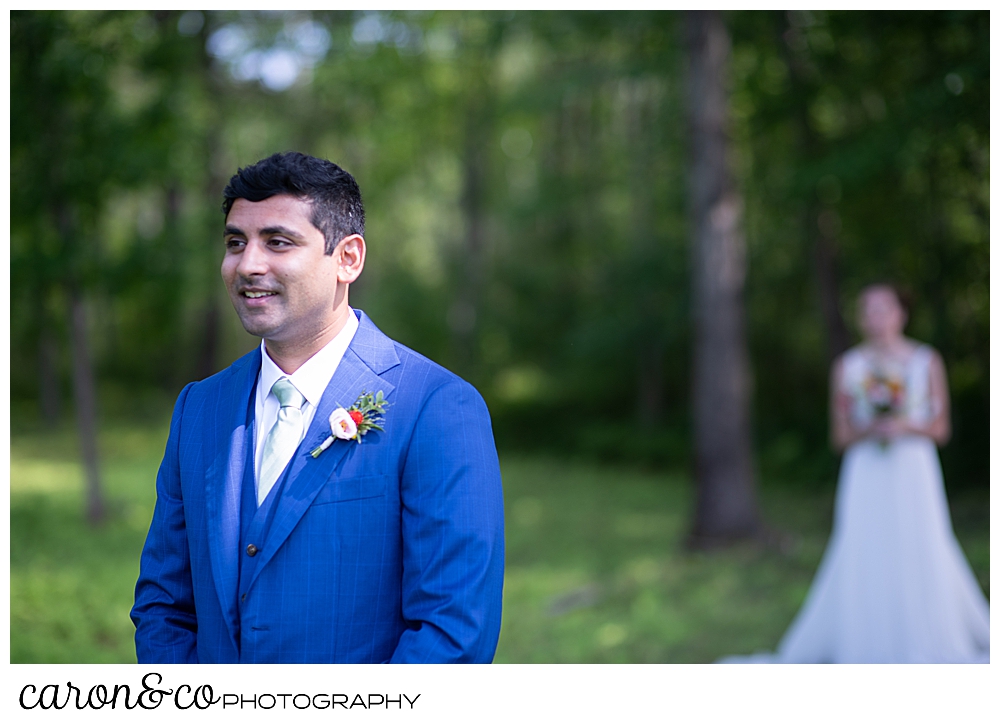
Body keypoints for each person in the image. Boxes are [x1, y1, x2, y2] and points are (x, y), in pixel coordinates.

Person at [131, 152, 505, 663]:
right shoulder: (199, 408)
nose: (248, 264)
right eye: (236, 242)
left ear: (347, 259)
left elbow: (455, 631)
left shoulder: (436, 407)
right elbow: (162, 605)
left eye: (278, 242)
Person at [722, 284, 989, 663]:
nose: (876, 318)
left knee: (919, 543)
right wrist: (870, 429)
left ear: (901, 313)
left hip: (913, 469)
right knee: (866, 546)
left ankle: (927, 635)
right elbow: (840, 435)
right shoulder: (849, 366)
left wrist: (903, 427)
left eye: (884, 308)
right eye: (868, 310)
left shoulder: (926, 360)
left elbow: (940, 429)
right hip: (866, 470)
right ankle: (866, 638)